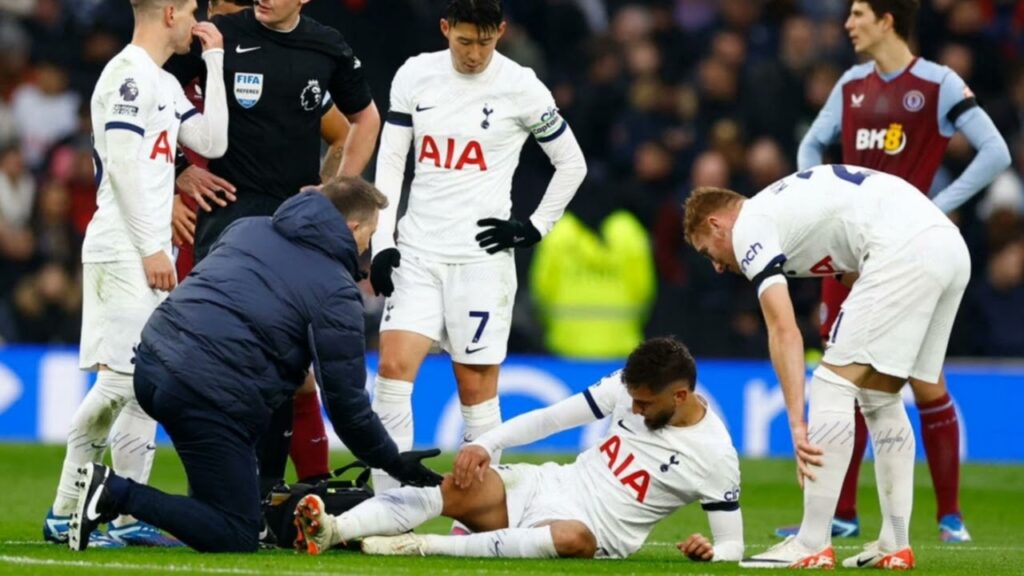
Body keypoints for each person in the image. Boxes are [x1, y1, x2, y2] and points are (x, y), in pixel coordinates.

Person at [68, 178, 443, 553]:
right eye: (370, 235)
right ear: (352, 228)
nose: (366, 248)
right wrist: (393, 462)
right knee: (237, 533)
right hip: (205, 389)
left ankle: (188, 504)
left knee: (224, 497)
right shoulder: (335, 291)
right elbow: (347, 406)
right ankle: (114, 492)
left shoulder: (250, 227)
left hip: (152, 360)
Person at [779, 0, 1011, 543]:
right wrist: (816, 198)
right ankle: (844, 513)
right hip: (848, 251)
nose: (847, 24)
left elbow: (995, 151)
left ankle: (949, 515)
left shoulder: (938, 84)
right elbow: (812, 144)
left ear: (887, 20)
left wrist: (939, 203)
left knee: (923, 378)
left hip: (905, 250)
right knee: (844, 372)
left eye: (858, 13)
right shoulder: (850, 86)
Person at [685, 164, 972, 569]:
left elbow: (784, 331)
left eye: (706, 251)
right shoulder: (786, 211)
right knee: (879, 393)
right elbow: (856, 268)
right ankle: (896, 543)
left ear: (716, 224)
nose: (715, 265)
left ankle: (812, 543)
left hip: (905, 247)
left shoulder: (750, 226)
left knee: (829, 385)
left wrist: (797, 422)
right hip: (948, 248)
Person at [368, 0, 587, 497]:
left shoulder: (522, 86)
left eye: (485, 42)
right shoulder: (415, 75)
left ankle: (476, 512)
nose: (473, 54)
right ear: (445, 28)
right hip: (418, 251)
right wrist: (383, 242)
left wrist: (533, 227)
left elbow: (572, 163)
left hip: (481, 261)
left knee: (475, 389)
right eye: (464, 41)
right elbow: (391, 162)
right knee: (393, 367)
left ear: (501, 32)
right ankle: (389, 505)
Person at [165, 0, 378, 496]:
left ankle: (273, 490)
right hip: (230, 219)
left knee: (286, 363)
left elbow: (363, 122)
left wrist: (335, 189)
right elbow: (154, 87)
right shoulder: (219, 35)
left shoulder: (325, 46)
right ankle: (234, 489)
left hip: (295, 228)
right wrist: (178, 169)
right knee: (230, 359)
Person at [43, 0, 229, 548]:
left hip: (147, 251)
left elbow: (213, 142)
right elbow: (122, 167)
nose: (196, 16)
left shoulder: (165, 83)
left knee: (145, 385)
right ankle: (68, 507)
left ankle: (122, 511)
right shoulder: (125, 75)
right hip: (123, 248)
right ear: (169, 11)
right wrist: (154, 247)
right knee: (123, 381)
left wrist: (214, 64)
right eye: (191, 8)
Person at [294, 337, 744, 562]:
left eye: (646, 403)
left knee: (574, 539)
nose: (636, 408)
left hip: (588, 531)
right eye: (634, 399)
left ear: (680, 396)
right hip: (547, 484)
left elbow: (732, 546)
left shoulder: (715, 456)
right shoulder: (625, 390)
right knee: (456, 485)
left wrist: (710, 549)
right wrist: (488, 444)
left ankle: (420, 545)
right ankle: (332, 528)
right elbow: (551, 419)